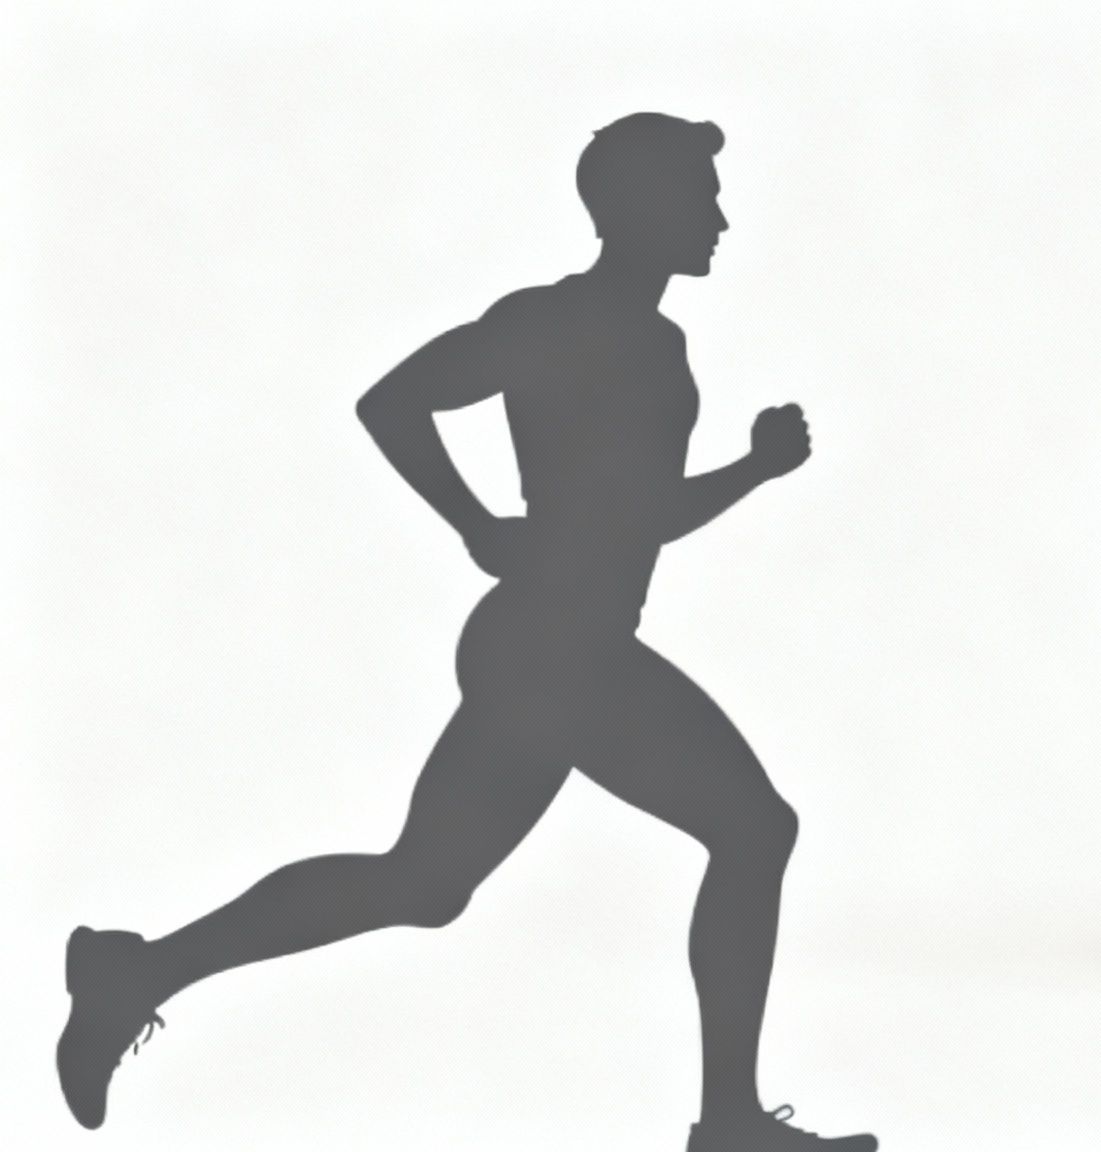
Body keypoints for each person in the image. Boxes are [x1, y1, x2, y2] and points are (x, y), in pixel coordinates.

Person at [56, 112, 876, 1152]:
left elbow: (638, 517)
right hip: (557, 650)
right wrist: (475, 522)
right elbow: (392, 400)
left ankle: (137, 971)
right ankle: (726, 1123)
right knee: (754, 828)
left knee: (424, 884)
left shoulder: (651, 341)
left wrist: (748, 473)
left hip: (553, 646)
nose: (718, 217)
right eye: (697, 195)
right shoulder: (553, 323)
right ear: (636, 208)